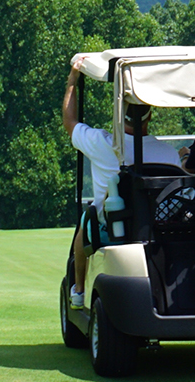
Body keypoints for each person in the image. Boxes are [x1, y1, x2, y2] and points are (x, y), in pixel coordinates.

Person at [64, 60, 184, 307]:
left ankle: (78, 291)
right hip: (157, 225)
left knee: (87, 219)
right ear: (150, 115)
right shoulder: (168, 154)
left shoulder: (101, 143)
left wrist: (72, 82)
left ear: (120, 113)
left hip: (113, 224)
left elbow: (70, 122)